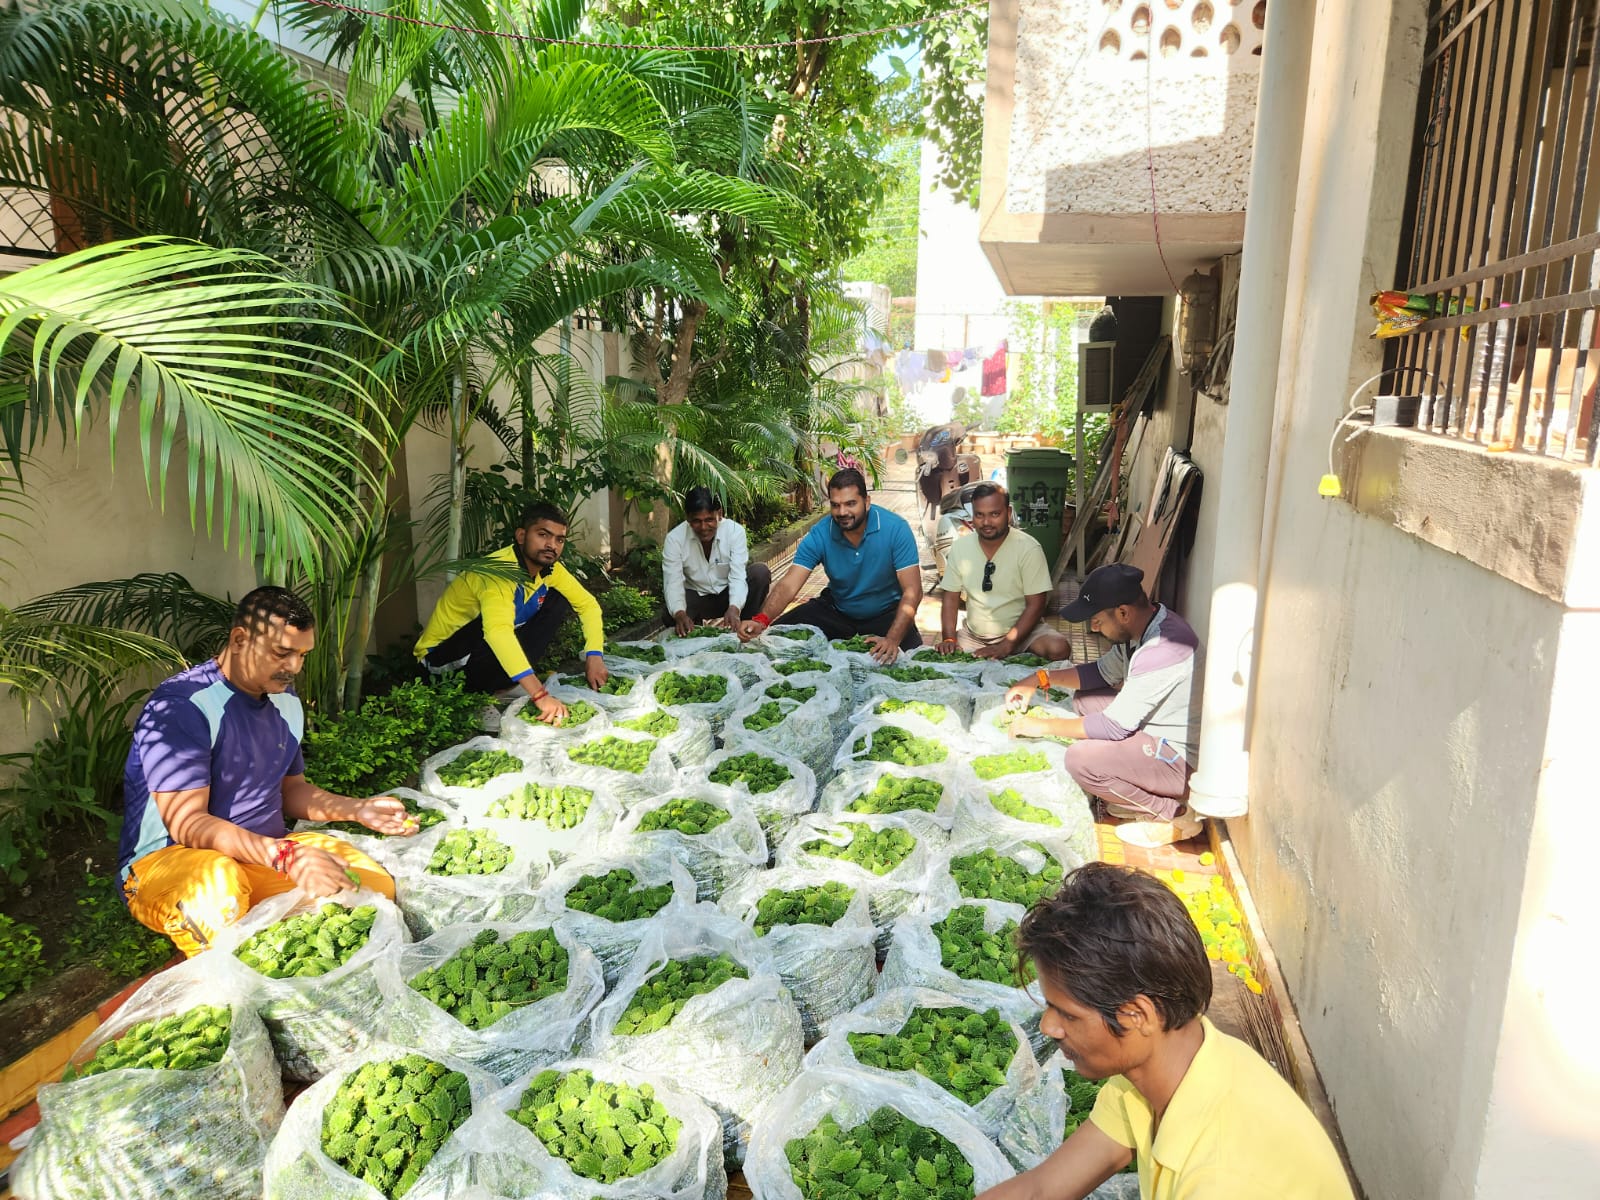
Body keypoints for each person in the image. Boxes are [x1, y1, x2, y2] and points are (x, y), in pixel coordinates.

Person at [979, 863, 1355, 1200]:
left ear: (1138, 1015)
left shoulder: (1224, 1179)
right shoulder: (1165, 1073)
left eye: (1068, 1014)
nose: (1048, 1026)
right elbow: (1040, 1190)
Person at [119, 587, 414, 957]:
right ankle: (229, 961)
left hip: (260, 854)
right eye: (282, 652)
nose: (294, 667)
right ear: (240, 639)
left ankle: (262, 925)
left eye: (302, 655)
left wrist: (358, 809)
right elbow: (188, 824)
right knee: (219, 896)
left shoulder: (287, 703)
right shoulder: (183, 706)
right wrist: (287, 857)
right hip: (174, 861)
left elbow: (292, 792)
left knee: (372, 888)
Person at [1003, 562, 1201, 848]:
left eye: (1097, 620)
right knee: (1086, 698)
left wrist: (1040, 726)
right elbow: (1099, 674)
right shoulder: (1144, 626)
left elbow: (1113, 727)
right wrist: (1039, 678)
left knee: (1081, 760)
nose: (1093, 627)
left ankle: (1175, 814)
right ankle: (1134, 787)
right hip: (1154, 732)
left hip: (1179, 761)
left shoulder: (1162, 649)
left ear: (1123, 612)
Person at [414, 500, 607, 724]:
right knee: (495, 626)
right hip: (441, 663)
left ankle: (504, 685)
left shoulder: (550, 570)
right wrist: (540, 695)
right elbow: (498, 634)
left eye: (559, 539)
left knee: (559, 599)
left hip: (476, 652)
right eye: (543, 535)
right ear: (522, 536)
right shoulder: (498, 571)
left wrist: (594, 655)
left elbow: (588, 604)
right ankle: (476, 697)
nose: (551, 545)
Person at [736, 468, 923, 664]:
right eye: (836, 505)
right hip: (837, 611)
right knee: (773, 640)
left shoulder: (896, 529)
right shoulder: (820, 533)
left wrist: (893, 639)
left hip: (886, 614)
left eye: (851, 503)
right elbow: (789, 584)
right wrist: (761, 620)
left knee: (915, 663)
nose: (842, 512)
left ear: (867, 502)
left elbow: (913, 590)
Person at [936, 482, 1068, 660]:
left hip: (1023, 634)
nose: (986, 522)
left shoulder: (1028, 548)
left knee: (1058, 648)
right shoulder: (960, 547)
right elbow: (950, 598)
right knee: (944, 658)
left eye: (994, 514)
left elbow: (1036, 605)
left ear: (1008, 512)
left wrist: (1007, 645)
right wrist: (949, 638)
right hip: (974, 637)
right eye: (979, 515)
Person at [661, 486, 772, 636]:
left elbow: (738, 576)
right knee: (670, 613)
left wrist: (734, 608)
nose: (703, 527)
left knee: (760, 572)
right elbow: (672, 581)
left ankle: (746, 627)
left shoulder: (735, 532)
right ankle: (692, 630)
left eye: (709, 520)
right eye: (696, 521)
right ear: (687, 518)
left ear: (719, 514)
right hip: (697, 597)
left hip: (727, 595)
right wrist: (680, 614)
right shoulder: (674, 539)